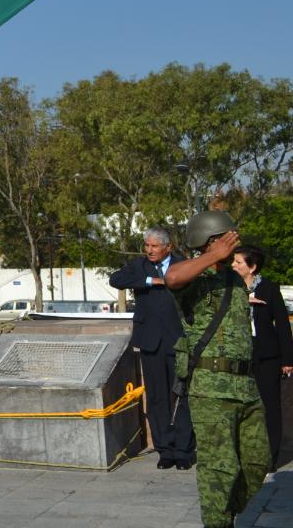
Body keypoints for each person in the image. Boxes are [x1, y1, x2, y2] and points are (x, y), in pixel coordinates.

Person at [165, 211, 269, 528]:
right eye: (226, 236)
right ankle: (218, 522)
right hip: (210, 389)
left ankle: (225, 513)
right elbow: (171, 278)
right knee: (218, 468)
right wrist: (212, 256)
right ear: (210, 240)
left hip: (245, 386)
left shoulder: (234, 279)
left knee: (258, 460)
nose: (233, 240)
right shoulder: (191, 279)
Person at [110, 227, 196, 469]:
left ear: (168, 247)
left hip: (178, 341)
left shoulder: (183, 264)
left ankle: (183, 450)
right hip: (150, 341)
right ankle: (165, 450)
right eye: (147, 245)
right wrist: (150, 280)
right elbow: (115, 279)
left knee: (182, 396)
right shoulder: (139, 266)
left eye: (154, 246)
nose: (149, 250)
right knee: (157, 398)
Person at [232, 245, 292, 468]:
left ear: (252, 267)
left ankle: (271, 458)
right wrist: (242, 302)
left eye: (238, 262)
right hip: (238, 355)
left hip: (267, 356)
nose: (233, 265)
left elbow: (283, 325)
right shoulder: (230, 288)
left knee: (270, 407)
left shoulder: (269, 289)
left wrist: (288, 359)